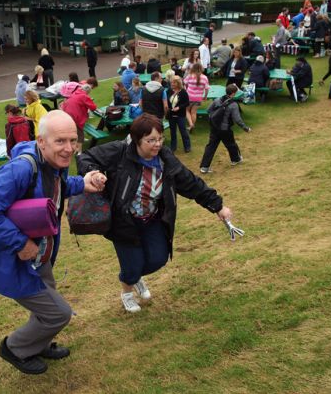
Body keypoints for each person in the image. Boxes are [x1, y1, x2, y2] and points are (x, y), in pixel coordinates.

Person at [0, 110, 106, 375]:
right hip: (15, 260)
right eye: (60, 141)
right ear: (41, 141)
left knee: (48, 300)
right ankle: (15, 347)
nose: (68, 149)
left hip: (39, 256)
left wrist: (84, 183)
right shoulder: (22, 169)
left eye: (72, 141)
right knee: (58, 313)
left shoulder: (52, 164)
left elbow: (56, 186)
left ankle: (38, 343)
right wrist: (20, 243)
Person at [77, 114, 234, 313]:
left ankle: (134, 277)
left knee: (158, 259)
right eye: (151, 140)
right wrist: (94, 172)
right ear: (137, 140)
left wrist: (218, 206)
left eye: (160, 138)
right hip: (123, 222)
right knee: (132, 265)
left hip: (152, 219)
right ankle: (127, 291)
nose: (157, 144)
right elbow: (86, 157)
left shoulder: (166, 160)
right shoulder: (120, 152)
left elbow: (191, 183)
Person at [199, 84, 251, 173]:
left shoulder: (217, 99)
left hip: (214, 128)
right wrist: (246, 128)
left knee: (211, 146)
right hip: (225, 129)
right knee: (231, 144)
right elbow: (237, 119)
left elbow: (208, 110)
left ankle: (204, 167)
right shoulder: (233, 104)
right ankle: (236, 159)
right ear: (233, 93)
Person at [59, 83, 97, 154]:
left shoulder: (75, 93)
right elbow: (93, 107)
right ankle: (79, 151)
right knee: (80, 133)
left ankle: (74, 147)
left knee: (74, 131)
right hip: (75, 116)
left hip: (66, 114)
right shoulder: (84, 96)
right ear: (87, 91)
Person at [166, 76, 191, 153]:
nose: (172, 84)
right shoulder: (169, 91)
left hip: (180, 115)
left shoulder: (183, 92)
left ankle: (187, 147)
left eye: (174, 82)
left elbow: (187, 102)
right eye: (171, 82)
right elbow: (166, 101)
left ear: (178, 83)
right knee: (172, 131)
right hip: (171, 115)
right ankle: (173, 147)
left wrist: (179, 107)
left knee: (183, 131)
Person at [182, 62, 209, 131]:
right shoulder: (205, 78)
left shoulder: (190, 75)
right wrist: (205, 96)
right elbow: (206, 89)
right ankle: (191, 126)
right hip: (198, 98)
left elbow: (184, 83)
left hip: (189, 96)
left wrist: (186, 88)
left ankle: (190, 124)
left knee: (186, 110)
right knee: (193, 112)